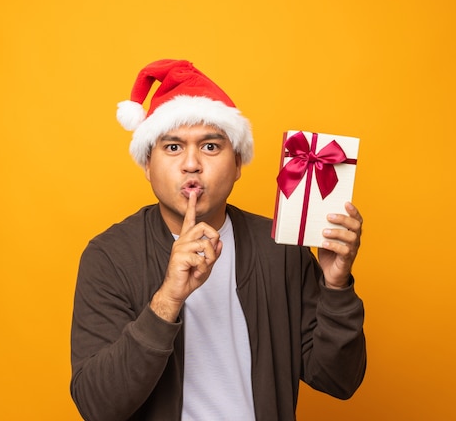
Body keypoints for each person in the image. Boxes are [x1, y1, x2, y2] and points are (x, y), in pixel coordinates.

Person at [70, 59, 366, 421]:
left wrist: (336, 288)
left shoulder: (280, 247)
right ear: (147, 164)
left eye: (210, 147)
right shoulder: (110, 257)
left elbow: (339, 379)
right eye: (173, 147)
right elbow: (97, 406)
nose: (192, 164)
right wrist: (168, 299)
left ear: (238, 163)